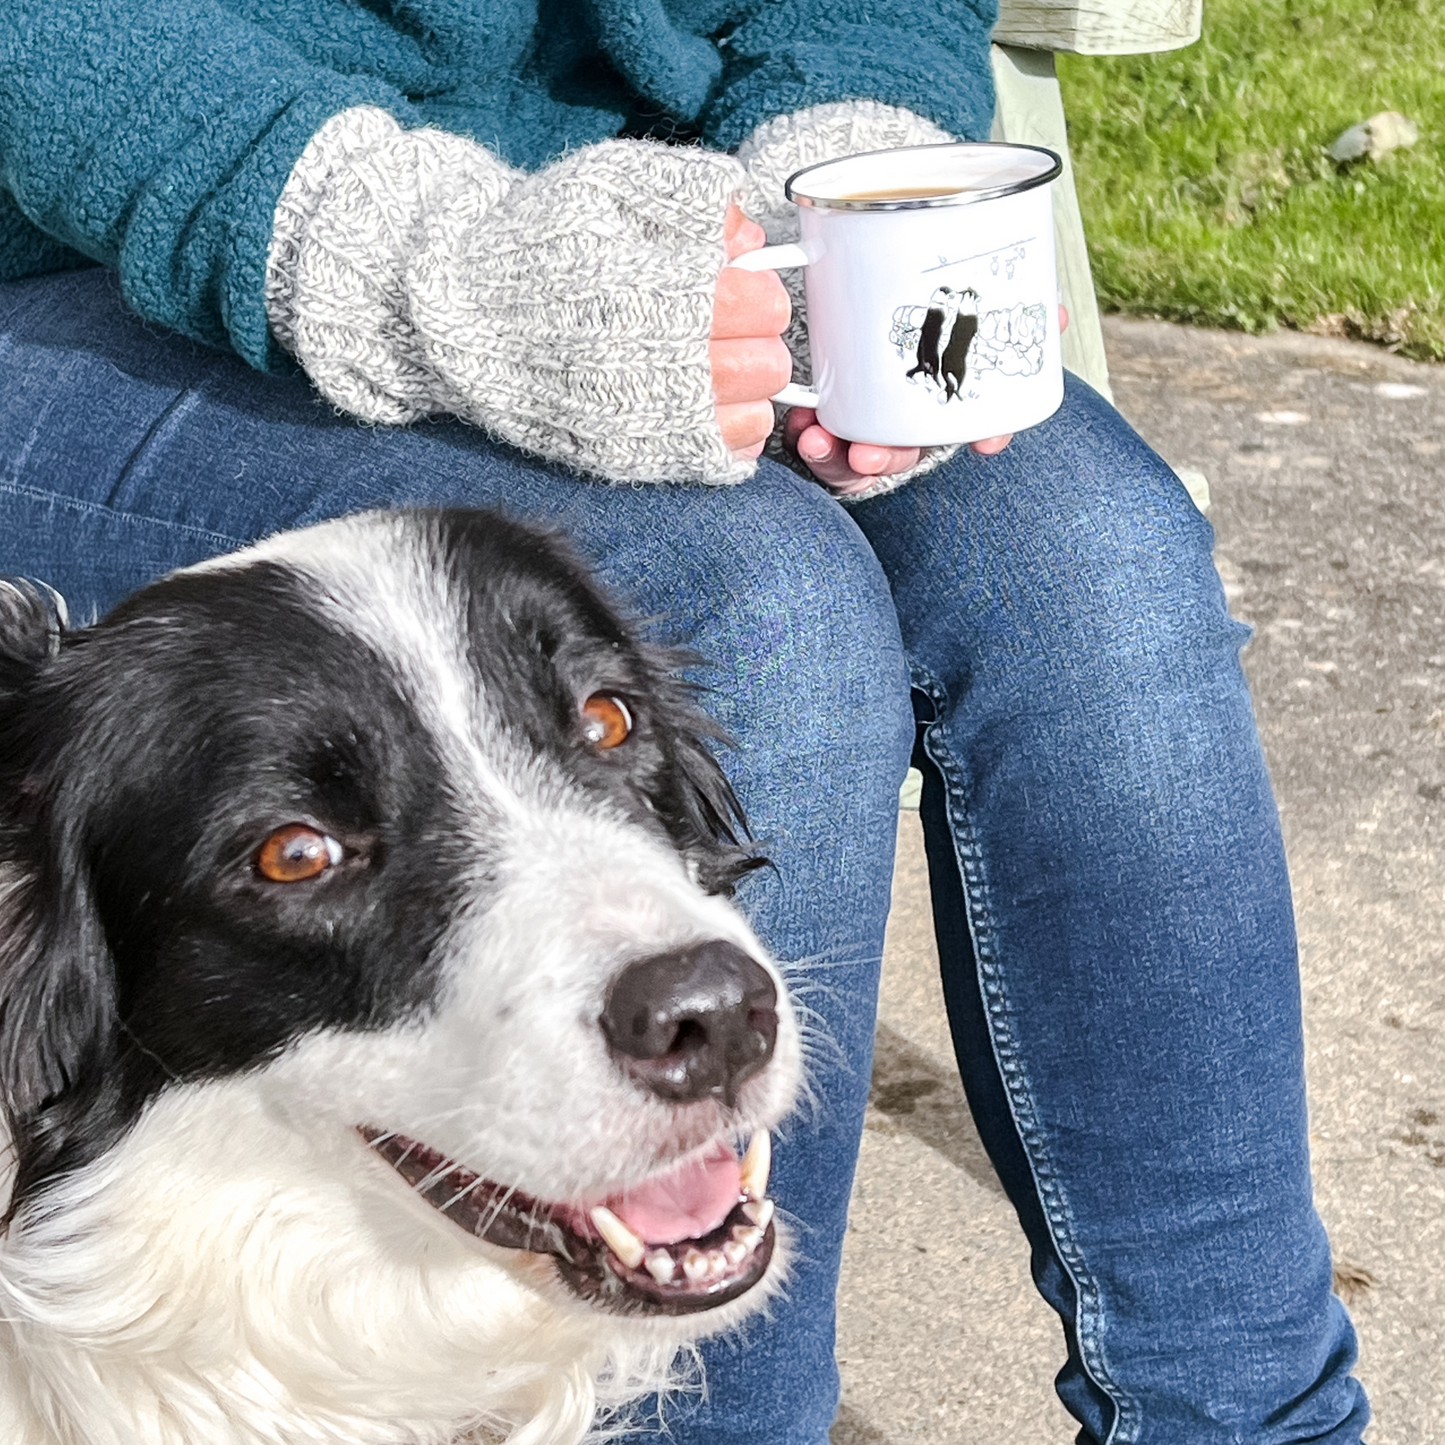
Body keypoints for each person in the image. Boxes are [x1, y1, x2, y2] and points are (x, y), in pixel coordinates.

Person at [0, 3, 1370, 1442]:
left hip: (664, 230)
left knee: (1089, 555)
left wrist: (843, 178)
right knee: (757, 598)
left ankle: (1248, 1421)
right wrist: (437, 268)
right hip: (99, 230)